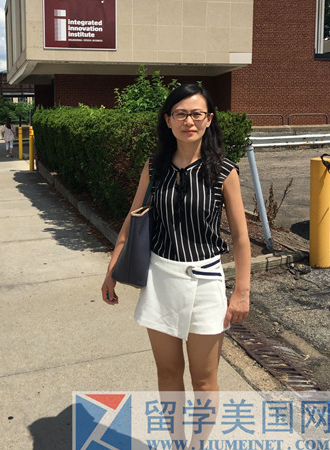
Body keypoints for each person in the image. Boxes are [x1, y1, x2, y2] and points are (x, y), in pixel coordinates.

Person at [101, 83, 251, 444]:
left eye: (197, 113)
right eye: (180, 113)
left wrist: (242, 292)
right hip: (161, 279)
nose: (189, 121)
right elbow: (133, 218)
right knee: (168, 372)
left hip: (205, 282)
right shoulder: (155, 167)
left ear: (209, 119)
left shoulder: (224, 171)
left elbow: (241, 237)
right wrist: (111, 269)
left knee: (204, 380)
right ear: (168, 120)